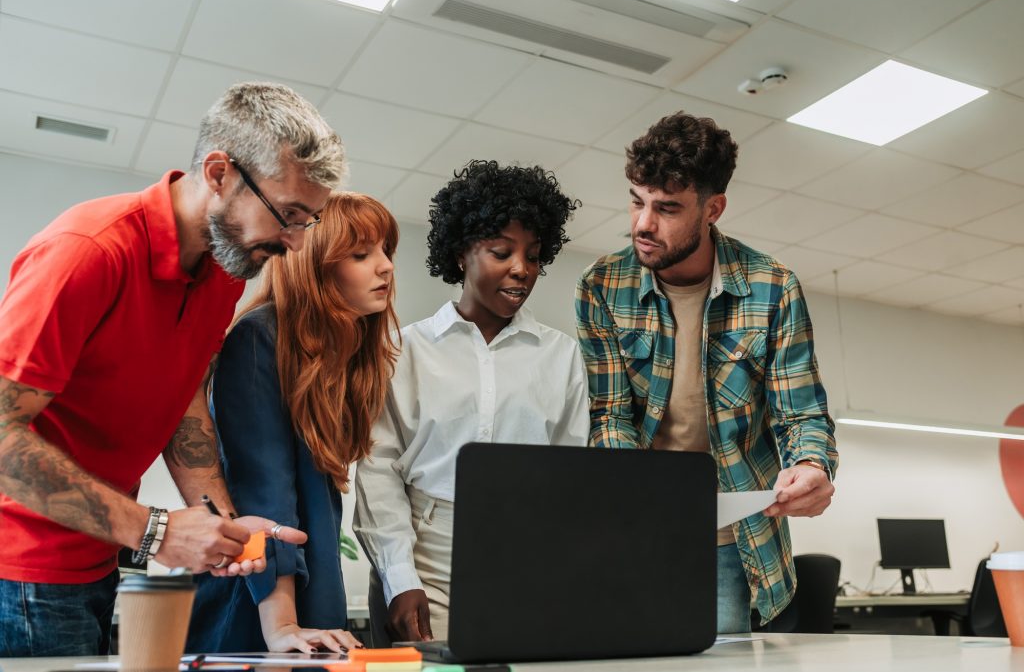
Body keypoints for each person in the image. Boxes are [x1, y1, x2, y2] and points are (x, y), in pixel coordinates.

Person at [0, 82, 345, 656]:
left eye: (306, 220)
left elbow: (184, 402)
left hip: (97, 561)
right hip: (21, 570)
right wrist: (154, 531)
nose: (295, 242)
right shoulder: (88, 251)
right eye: (287, 214)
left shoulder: (221, 274)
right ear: (219, 174)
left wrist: (222, 523)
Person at [574, 112, 838, 634]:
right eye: (637, 201)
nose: (643, 224)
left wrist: (812, 465)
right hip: (638, 530)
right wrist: (638, 495)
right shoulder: (601, 285)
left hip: (735, 543)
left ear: (712, 208)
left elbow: (801, 413)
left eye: (667, 208)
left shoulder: (772, 287)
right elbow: (609, 415)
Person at [354, 160, 590, 645]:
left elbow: (570, 477)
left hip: (527, 554)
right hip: (427, 553)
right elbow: (379, 469)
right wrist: (400, 578)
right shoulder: (403, 350)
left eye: (534, 256)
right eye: (502, 252)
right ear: (462, 253)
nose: (522, 269)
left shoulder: (561, 355)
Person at [187, 192, 400, 654]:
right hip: (257, 601)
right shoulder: (260, 338)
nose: (385, 267)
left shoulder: (340, 358)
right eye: (361, 255)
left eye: (386, 251)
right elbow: (265, 496)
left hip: (309, 593)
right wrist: (282, 624)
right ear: (315, 264)